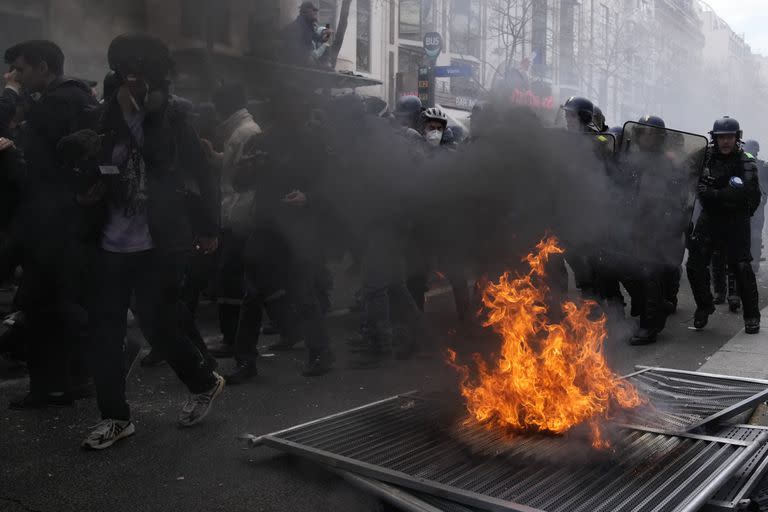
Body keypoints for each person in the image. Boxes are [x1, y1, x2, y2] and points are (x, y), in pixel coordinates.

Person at [77, 34, 224, 450]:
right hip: (110, 243)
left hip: (159, 244)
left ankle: (202, 381)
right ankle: (115, 418)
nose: (130, 81)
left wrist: (209, 228)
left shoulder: (174, 117)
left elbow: (195, 172)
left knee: (159, 328)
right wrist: (87, 189)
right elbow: (97, 165)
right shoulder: (107, 115)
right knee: (104, 333)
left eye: (139, 73)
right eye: (124, 72)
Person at [3, 40, 95, 409]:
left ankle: (52, 385)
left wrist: (10, 154)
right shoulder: (80, 97)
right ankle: (72, 378)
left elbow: (39, 172)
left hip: (49, 222)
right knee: (57, 302)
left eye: (21, 69)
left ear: (43, 67)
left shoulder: (55, 104)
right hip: (69, 220)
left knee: (42, 306)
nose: (16, 77)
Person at [687, 117, 761, 334]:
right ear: (715, 138)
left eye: (730, 137)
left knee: (741, 267)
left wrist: (715, 194)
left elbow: (747, 193)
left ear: (737, 138)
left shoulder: (745, 160)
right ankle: (704, 305)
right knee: (694, 265)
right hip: (709, 218)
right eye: (721, 137)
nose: (726, 141)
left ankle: (752, 315)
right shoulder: (704, 156)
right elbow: (686, 174)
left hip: (736, 220)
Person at [282, 1, 334, 67]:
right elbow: (297, 48)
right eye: (313, 11)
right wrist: (307, 57)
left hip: (306, 60)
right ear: (306, 11)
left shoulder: (308, 25)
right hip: (299, 63)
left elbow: (318, 38)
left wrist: (327, 35)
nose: (315, 13)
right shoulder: (298, 26)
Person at [744, 139, 767, 273]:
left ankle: (754, 262)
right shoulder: (737, 164)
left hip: (756, 210)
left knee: (755, 235)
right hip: (741, 209)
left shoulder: (763, 167)